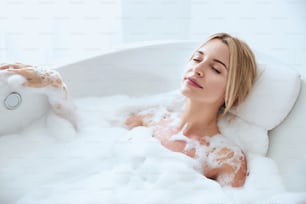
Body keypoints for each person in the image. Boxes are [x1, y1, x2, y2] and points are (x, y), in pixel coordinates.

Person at [125, 32, 257, 187]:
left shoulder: (225, 159)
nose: (197, 69)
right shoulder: (147, 119)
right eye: (197, 59)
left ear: (232, 91)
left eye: (215, 69)